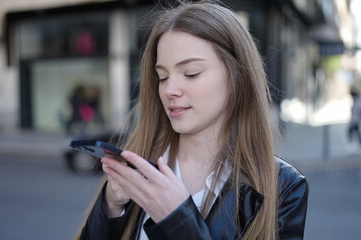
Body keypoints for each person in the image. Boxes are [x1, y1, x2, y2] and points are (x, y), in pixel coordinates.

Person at [77, 1, 308, 239]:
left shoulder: (284, 187)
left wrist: (177, 219)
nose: (170, 90)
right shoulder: (141, 162)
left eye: (191, 73)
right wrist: (111, 207)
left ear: (237, 76)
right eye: (162, 77)